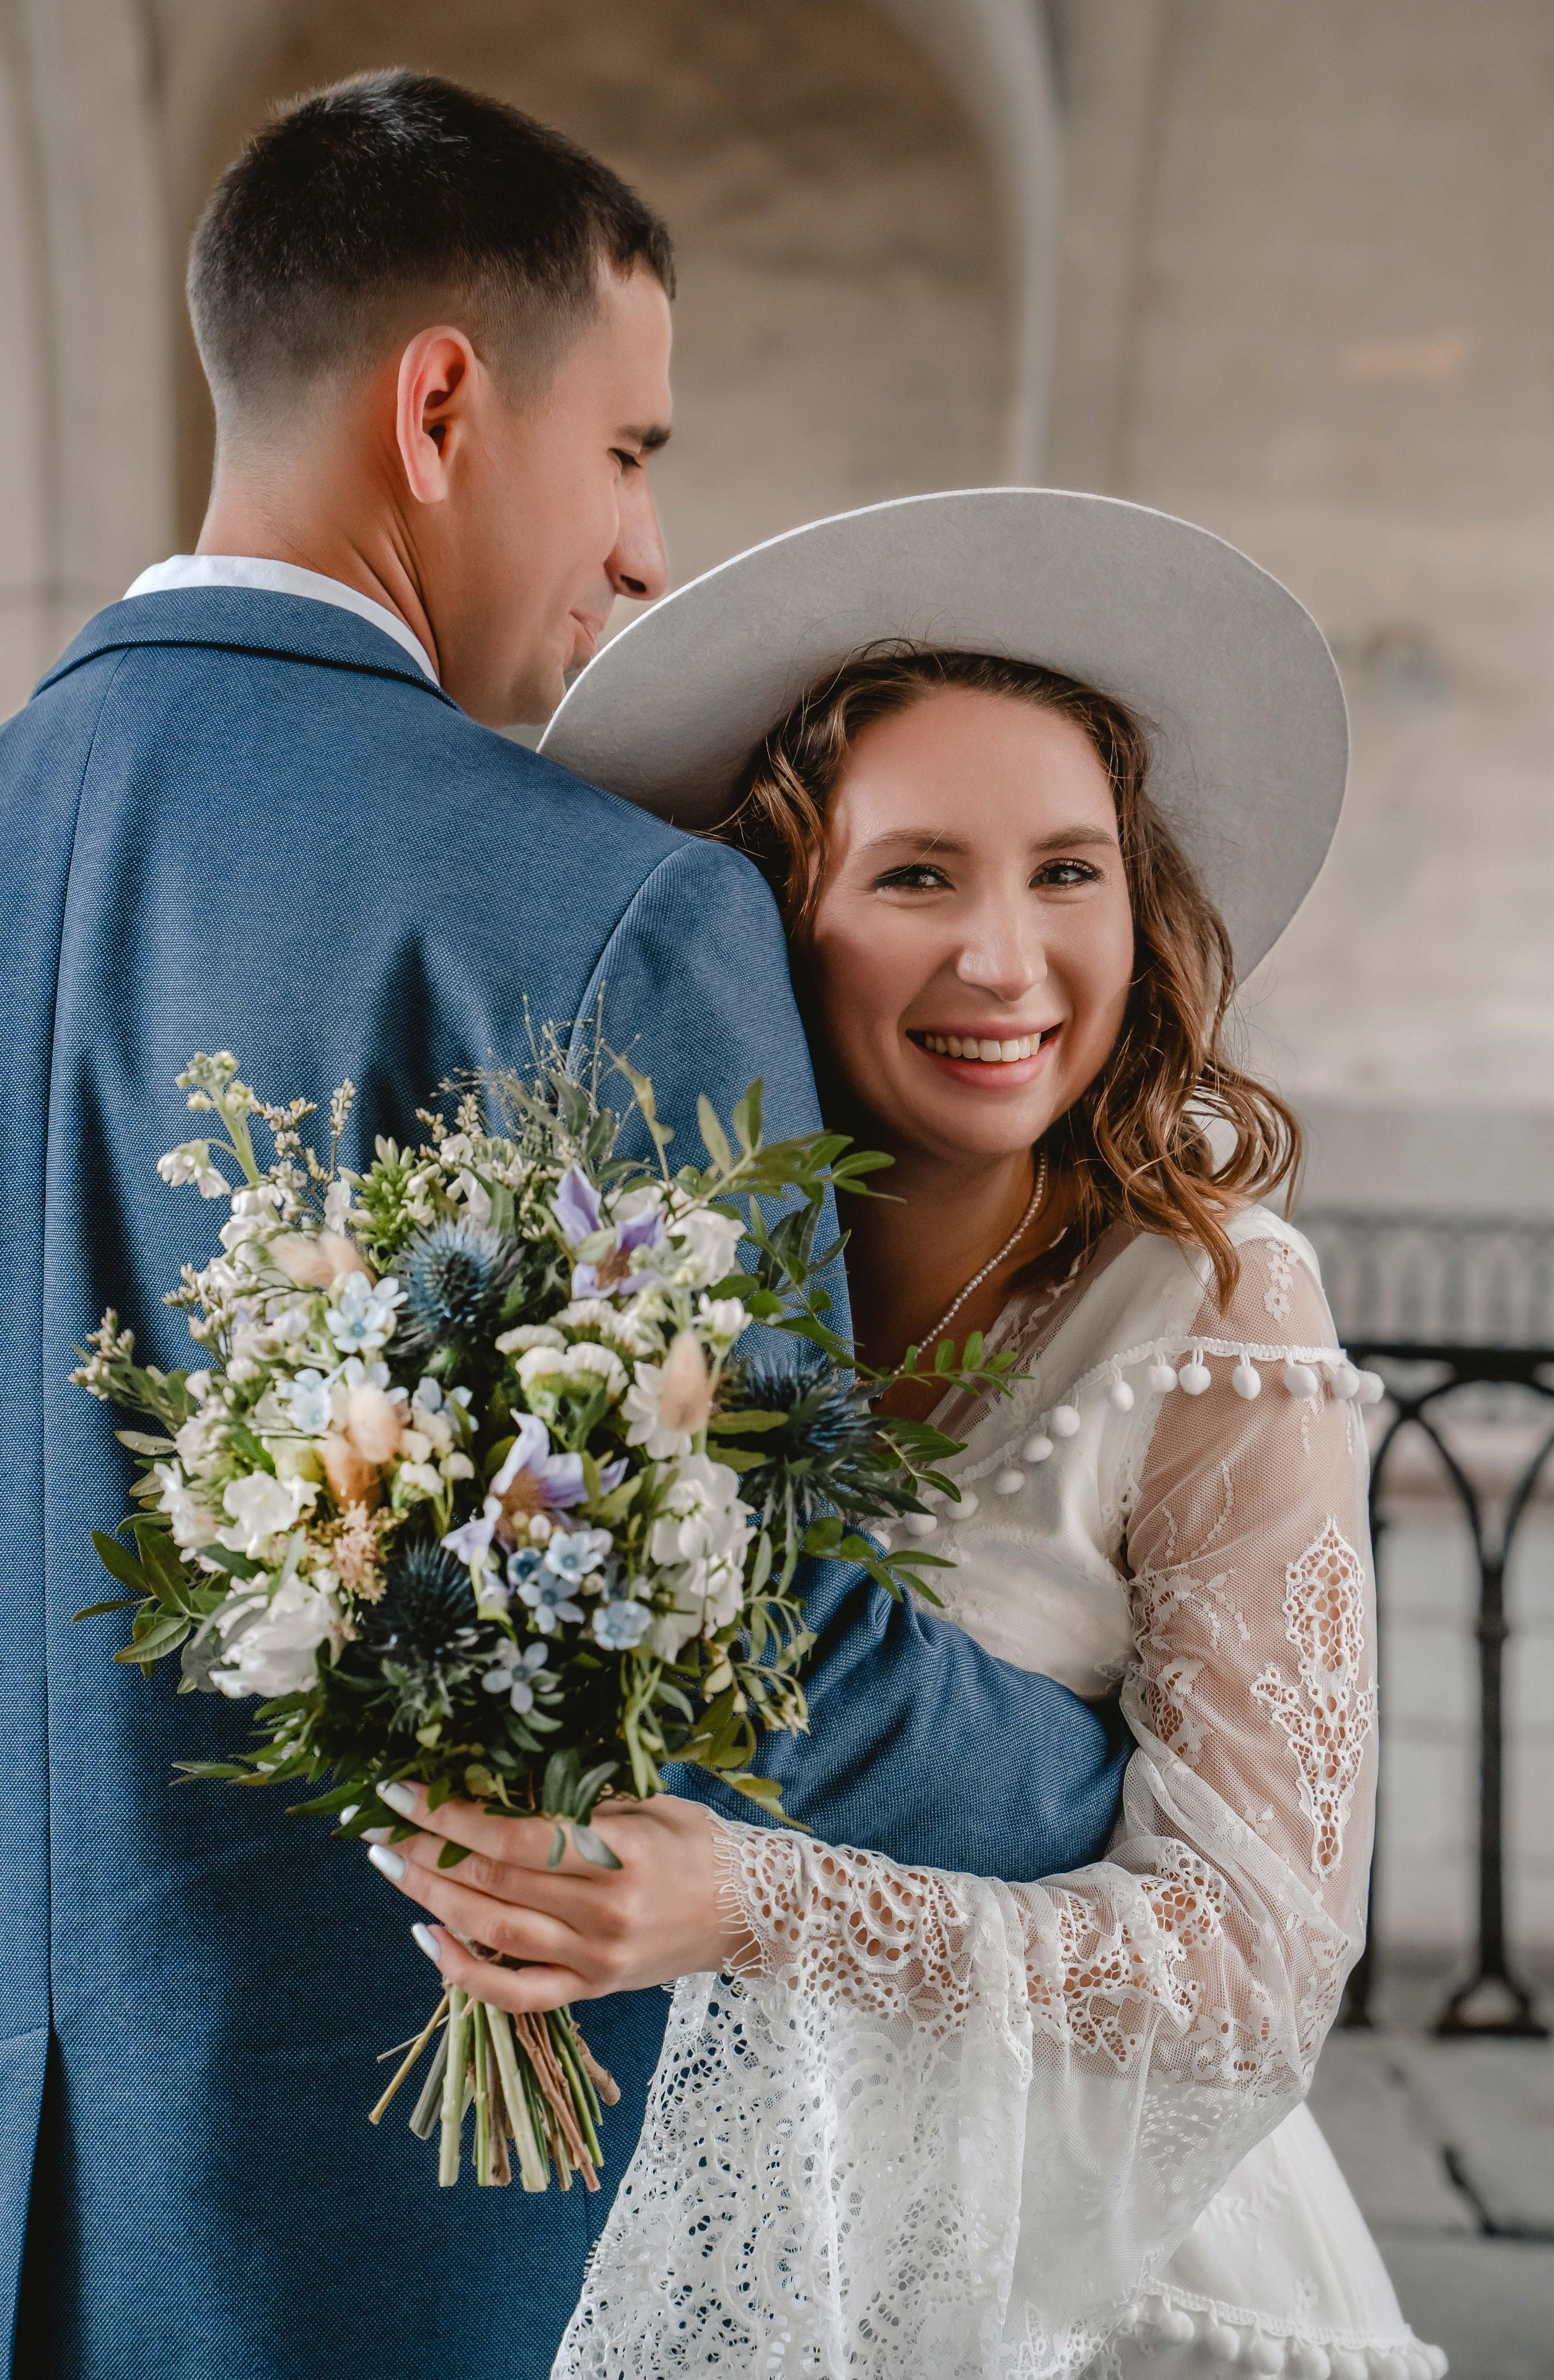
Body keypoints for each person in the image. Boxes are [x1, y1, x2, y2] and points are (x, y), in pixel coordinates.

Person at [0, 82, 1128, 2380]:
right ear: (438, 406)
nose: (644, 553)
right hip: (396, 2243)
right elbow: (771, 1649)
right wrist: (1129, 1783)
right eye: (625, 457)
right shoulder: (602, 915)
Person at [375, 492, 1446, 2378]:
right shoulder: (638, 1286)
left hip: (1075, 2275)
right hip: (684, 2235)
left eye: (1067, 872)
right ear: (775, 913)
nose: (1009, 963)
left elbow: (1258, 1967)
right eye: (918, 875)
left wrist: (751, 1905)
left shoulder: (1212, 1298)